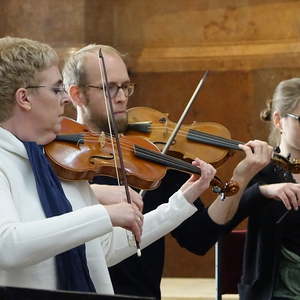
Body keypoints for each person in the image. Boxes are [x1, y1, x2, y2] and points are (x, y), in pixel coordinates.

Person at [0, 36, 221, 295]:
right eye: (57, 89)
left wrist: (180, 203)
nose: (64, 99)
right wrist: (104, 214)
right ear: (24, 98)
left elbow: (101, 250)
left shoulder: (56, 161)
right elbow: (8, 245)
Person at [62, 44, 274, 299]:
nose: (122, 97)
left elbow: (201, 236)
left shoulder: (151, 155)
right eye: (109, 88)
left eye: (126, 86)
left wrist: (241, 176)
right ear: (76, 95)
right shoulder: (57, 158)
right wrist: (93, 191)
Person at [219, 78, 300, 300]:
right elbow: (222, 222)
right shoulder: (260, 169)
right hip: (274, 292)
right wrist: (262, 191)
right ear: (278, 120)